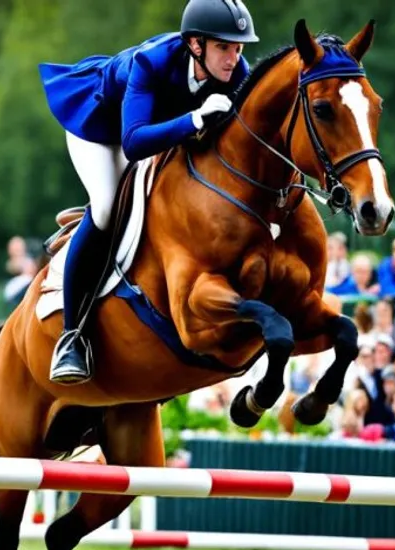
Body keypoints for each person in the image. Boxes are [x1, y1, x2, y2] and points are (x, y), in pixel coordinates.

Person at [38, 0, 257, 384]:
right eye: (224, 47)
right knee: (106, 208)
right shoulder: (150, 62)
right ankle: (72, 337)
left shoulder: (236, 71)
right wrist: (194, 118)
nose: (233, 58)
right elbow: (135, 143)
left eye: (238, 48)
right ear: (195, 45)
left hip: (156, 131)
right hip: (101, 131)